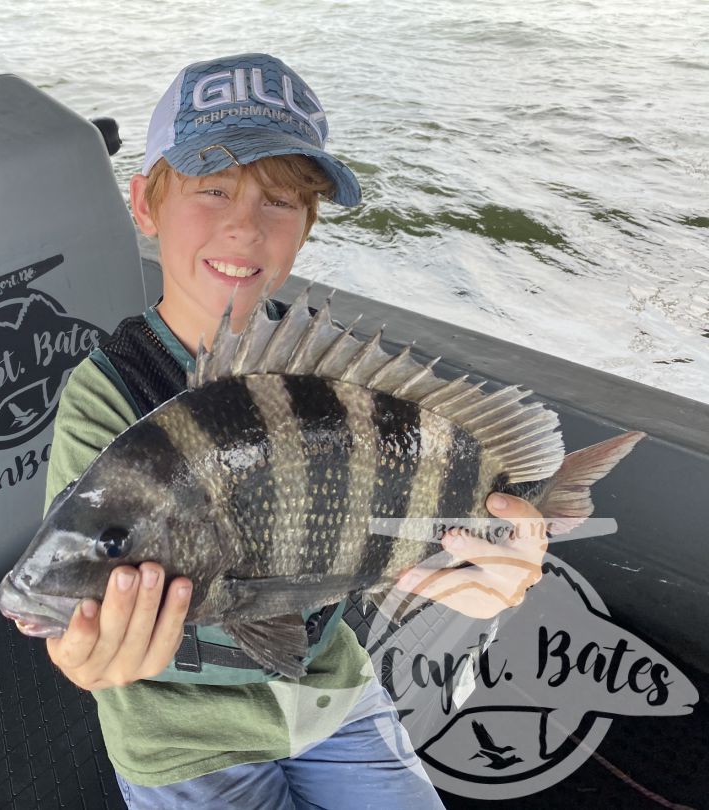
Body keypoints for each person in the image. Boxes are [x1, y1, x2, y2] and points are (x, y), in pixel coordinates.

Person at [34, 53, 548, 809]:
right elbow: (82, 568)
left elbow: (401, 534)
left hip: (330, 697)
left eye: (280, 201)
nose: (243, 226)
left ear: (307, 226)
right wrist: (83, 659)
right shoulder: (105, 396)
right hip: (181, 743)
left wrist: (490, 568)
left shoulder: (334, 386)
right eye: (211, 188)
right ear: (144, 204)